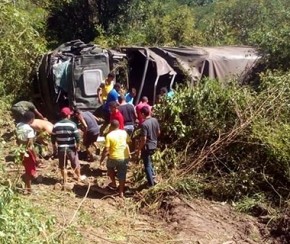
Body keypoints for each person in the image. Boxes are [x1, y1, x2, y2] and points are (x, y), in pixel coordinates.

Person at [100, 120, 130, 198]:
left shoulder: (109, 135)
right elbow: (127, 144)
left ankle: (113, 183)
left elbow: (106, 149)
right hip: (124, 157)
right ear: (119, 125)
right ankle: (121, 193)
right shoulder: (124, 133)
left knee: (109, 167)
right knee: (122, 174)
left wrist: (102, 158)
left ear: (111, 126)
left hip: (113, 157)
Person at [51, 107, 82, 184]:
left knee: (63, 166)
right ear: (68, 115)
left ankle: (65, 181)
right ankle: (78, 178)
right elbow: (77, 137)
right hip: (70, 148)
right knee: (75, 163)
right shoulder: (72, 124)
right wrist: (78, 146)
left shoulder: (56, 125)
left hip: (61, 148)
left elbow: (53, 138)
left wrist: (54, 148)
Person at [15, 111, 40, 194]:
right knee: (29, 171)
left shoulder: (19, 125)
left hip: (20, 150)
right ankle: (29, 190)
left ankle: (27, 188)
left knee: (27, 168)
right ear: (31, 119)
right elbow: (30, 145)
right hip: (27, 152)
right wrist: (36, 156)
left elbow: (17, 139)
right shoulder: (29, 129)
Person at [136, 106, 160, 187]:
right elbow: (158, 132)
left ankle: (151, 184)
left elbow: (144, 139)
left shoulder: (144, 124)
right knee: (150, 163)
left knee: (147, 165)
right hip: (154, 144)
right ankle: (153, 178)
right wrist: (154, 138)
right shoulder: (155, 120)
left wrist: (139, 148)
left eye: (140, 114)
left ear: (143, 114)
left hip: (147, 146)